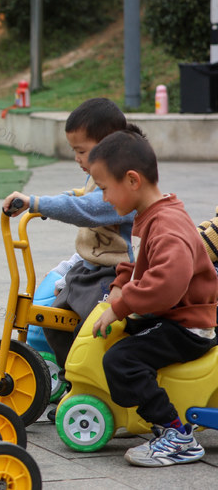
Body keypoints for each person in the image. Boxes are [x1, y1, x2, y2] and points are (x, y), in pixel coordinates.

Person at [87, 130, 217, 467]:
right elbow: (139, 262)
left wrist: (121, 305)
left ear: (132, 180)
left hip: (187, 325)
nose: (103, 198)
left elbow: (167, 284)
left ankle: (177, 435)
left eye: (104, 188)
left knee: (122, 361)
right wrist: (120, 283)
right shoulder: (153, 215)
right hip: (172, 316)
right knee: (118, 342)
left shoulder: (167, 225)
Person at [2, 98, 137, 369]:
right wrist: (49, 203)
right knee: (53, 321)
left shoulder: (120, 187)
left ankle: (95, 375)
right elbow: (81, 196)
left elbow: (87, 208)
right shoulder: (97, 176)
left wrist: (36, 203)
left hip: (110, 274)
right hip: (85, 270)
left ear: (109, 145)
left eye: (82, 151)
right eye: (74, 151)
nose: (77, 158)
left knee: (92, 329)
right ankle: (71, 376)